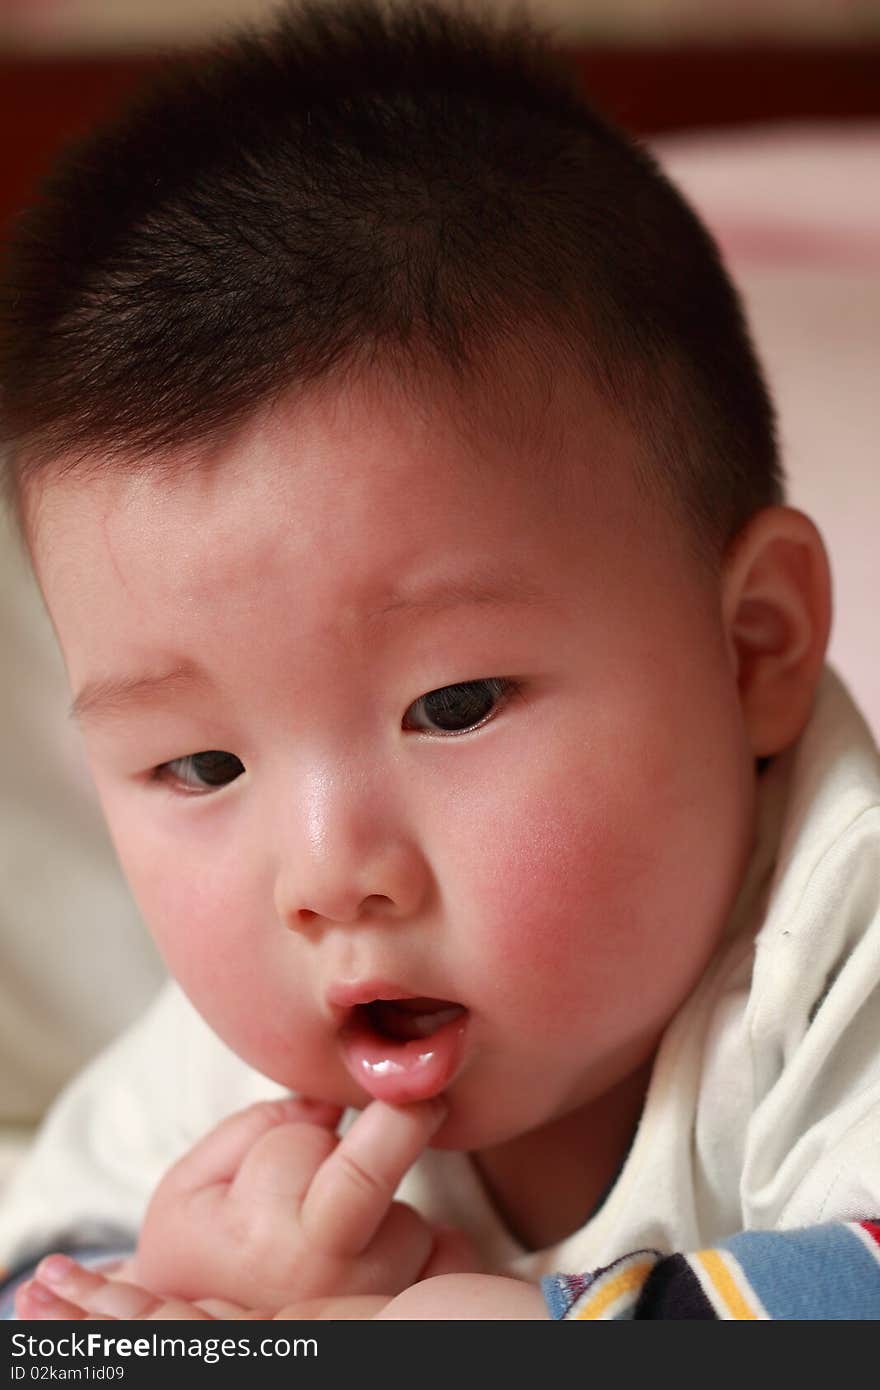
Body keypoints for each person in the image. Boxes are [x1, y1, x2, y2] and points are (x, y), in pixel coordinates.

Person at [1, 0, 878, 1321]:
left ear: (751, 642)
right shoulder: (243, 1069)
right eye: (200, 762)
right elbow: (40, 1285)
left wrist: (518, 1335)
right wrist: (181, 1305)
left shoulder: (838, 940)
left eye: (452, 704)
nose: (324, 873)